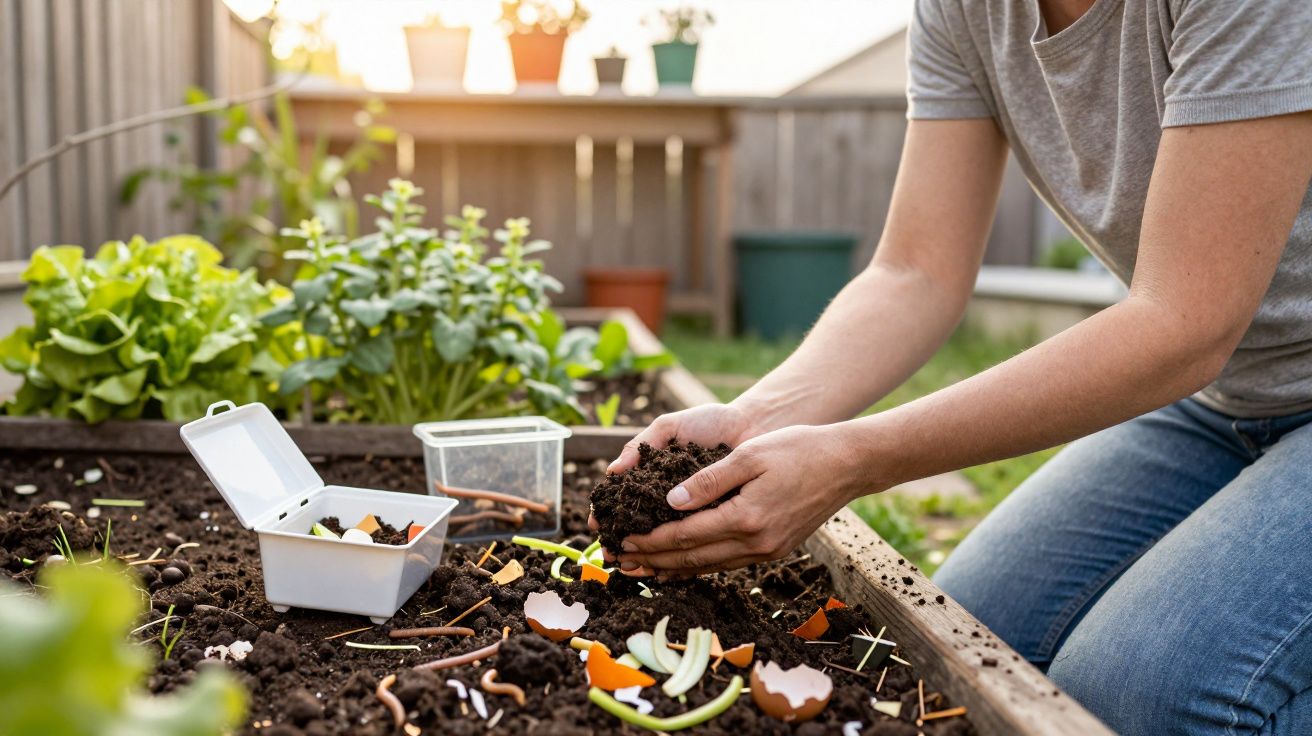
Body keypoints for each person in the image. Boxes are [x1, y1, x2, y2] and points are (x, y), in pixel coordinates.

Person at [593, 1, 1312, 733]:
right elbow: (916, 272)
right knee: (975, 643)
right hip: (1222, 400)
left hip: (1218, 364)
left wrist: (856, 457)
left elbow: (1185, 324)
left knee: (1138, 693)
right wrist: (759, 418)